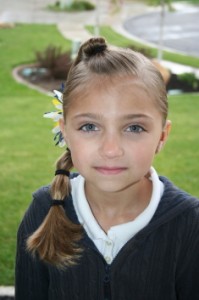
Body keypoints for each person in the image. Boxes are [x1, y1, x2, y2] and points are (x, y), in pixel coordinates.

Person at [15, 37, 199, 300]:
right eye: (89, 126)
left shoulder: (190, 224)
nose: (111, 149)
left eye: (134, 127)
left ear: (162, 135)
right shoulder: (43, 211)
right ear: (65, 131)